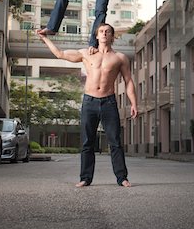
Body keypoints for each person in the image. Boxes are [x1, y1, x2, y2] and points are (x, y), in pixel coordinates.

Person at [37, 23, 138, 187]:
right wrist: (44, 38)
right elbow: (60, 54)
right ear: (96, 36)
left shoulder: (120, 58)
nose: (104, 33)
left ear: (112, 37)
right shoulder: (86, 54)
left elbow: (128, 81)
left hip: (109, 102)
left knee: (115, 142)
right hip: (89, 101)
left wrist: (134, 103)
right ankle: (85, 178)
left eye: (108, 32)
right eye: (101, 31)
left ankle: (122, 178)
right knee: (87, 143)